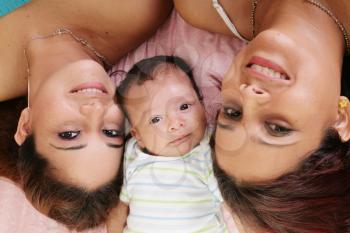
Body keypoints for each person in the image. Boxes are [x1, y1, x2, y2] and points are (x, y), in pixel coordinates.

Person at [174, 0, 350, 232]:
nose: (249, 96)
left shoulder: (200, 6)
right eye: (277, 127)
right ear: (341, 119)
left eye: (233, 113)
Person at [0, 0, 173, 231]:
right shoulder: (139, 8)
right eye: (110, 132)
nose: (95, 109)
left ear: (26, 127)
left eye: (70, 134)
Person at [109, 55, 228, 232]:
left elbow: (231, 208)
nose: (175, 124)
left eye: (184, 107)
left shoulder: (209, 150)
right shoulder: (133, 153)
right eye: (156, 119)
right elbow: (120, 206)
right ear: (138, 136)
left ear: (202, 105)